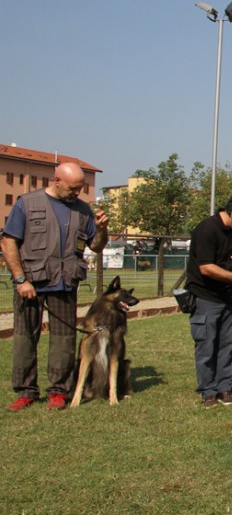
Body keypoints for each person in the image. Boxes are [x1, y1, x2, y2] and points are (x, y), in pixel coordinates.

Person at [2, 162, 109, 411]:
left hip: (65, 283)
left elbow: (97, 246)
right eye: (73, 188)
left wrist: (103, 229)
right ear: (57, 180)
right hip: (31, 283)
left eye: (80, 188)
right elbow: (9, 242)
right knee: (25, 338)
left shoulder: (83, 210)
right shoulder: (27, 204)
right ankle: (25, 391)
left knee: (64, 339)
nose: (77, 193)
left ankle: (58, 391)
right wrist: (20, 279)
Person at [187, 191, 232, 408]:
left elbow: (229, 257)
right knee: (207, 346)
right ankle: (208, 391)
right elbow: (206, 268)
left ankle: (225, 388)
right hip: (205, 297)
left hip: (226, 298)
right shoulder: (206, 229)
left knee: (228, 345)